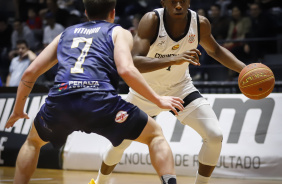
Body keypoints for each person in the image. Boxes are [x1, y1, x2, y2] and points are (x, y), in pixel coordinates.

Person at [5, 0, 185, 184]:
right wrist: (157, 99)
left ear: (85, 12)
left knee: (33, 142)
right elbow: (126, 70)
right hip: (99, 100)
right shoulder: (118, 32)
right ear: (113, 13)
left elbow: (29, 73)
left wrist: (18, 109)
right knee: (155, 135)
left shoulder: (66, 33)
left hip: (62, 100)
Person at [95, 0, 246, 184]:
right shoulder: (152, 20)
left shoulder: (200, 23)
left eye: (182, 0)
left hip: (180, 89)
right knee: (120, 144)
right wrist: (173, 59)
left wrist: (245, 70)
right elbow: (134, 61)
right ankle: (100, 181)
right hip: (145, 93)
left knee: (215, 136)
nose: (178, 5)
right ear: (163, 1)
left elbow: (215, 50)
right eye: (173, 1)